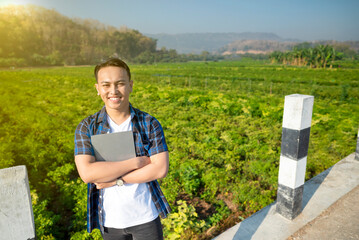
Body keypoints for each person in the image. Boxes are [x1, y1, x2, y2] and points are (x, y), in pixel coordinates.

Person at [74, 58, 171, 240]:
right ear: (97, 89)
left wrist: (114, 180)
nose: (113, 91)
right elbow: (87, 173)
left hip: (146, 217)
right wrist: (136, 162)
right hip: (110, 221)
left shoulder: (148, 123)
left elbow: (160, 168)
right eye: (106, 85)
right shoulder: (87, 127)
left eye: (120, 84)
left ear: (130, 85)